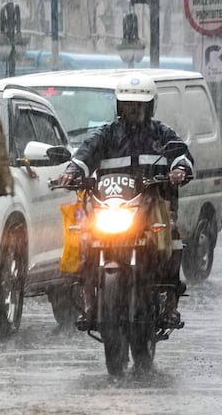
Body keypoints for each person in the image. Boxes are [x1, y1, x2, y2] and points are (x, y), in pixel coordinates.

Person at [60, 73, 191, 317]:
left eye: (138, 105)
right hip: (111, 205)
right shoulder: (106, 134)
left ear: (149, 106)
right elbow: (86, 153)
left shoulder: (163, 134)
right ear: (120, 106)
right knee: (85, 237)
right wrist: (72, 171)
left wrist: (179, 170)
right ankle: (89, 299)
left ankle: (171, 299)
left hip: (152, 205)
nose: (133, 110)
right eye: (128, 105)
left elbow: (181, 155)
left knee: (171, 234)